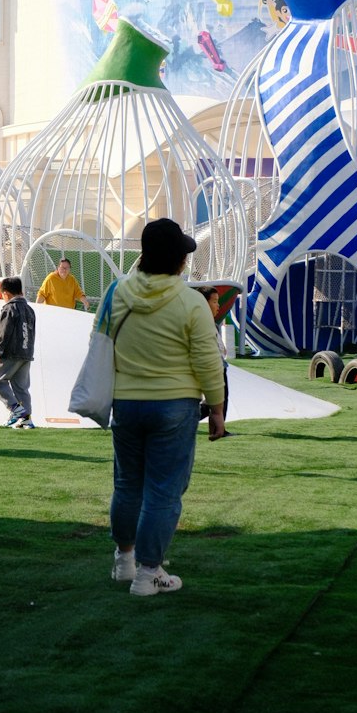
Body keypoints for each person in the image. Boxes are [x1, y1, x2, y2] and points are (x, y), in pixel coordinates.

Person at [106, 219, 225, 599]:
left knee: (127, 485)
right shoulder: (190, 301)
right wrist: (218, 409)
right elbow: (208, 360)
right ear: (178, 261)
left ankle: (124, 561)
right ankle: (148, 574)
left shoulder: (117, 293)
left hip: (125, 403)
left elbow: (100, 344)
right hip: (174, 406)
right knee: (163, 491)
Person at [0, 276, 36, 429]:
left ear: (6, 294)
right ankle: (26, 420)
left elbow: (4, 331)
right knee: (21, 387)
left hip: (11, 353)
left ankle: (15, 409)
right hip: (26, 353)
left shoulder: (9, 308)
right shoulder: (30, 309)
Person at [198, 287, 231, 440]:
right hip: (213, 366)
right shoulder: (201, 323)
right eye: (215, 301)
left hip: (219, 364)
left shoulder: (211, 322)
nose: (218, 305)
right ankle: (186, 420)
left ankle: (219, 429)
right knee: (216, 400)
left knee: (221, 398)